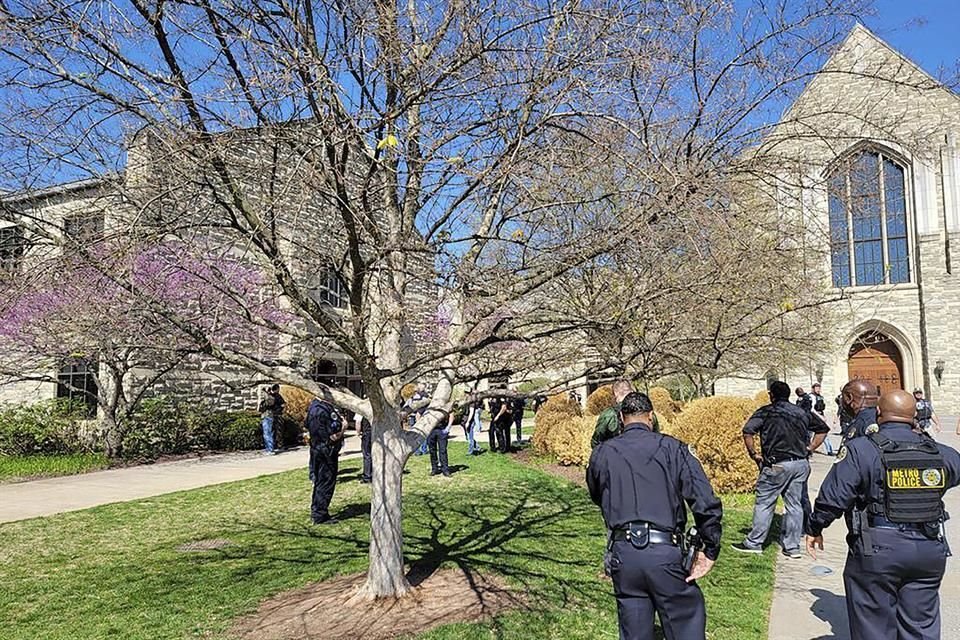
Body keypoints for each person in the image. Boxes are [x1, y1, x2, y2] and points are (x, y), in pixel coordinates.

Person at [805, 389, 960, 640]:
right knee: (920, 627)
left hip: (878, 548)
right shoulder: (939, 452)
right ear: (914, 416)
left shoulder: (861, 449)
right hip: (929, 548)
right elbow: (953, 472)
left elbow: (835, 496)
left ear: (879, 413)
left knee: (873, 627)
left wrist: (815, 527)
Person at [586, 392, 723, 640]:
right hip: (664, 553)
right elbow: (704, 501)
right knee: (684, 624)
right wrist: (710, 547)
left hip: (624, 553)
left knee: (634, 629)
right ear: (651, 416)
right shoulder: (674, 449)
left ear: (621, 417)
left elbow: (596, 494)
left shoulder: (603, 452)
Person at [732, 380, 828, 558]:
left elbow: (748, 432)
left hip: (776, 464)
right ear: (789, 394)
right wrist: (811, 447)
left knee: (765, 503)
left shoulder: (767, 412)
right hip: (800, 463)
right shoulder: (801, 412)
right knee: (795, 505)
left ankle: (754, 542)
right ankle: (792, 547)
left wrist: (754, 454)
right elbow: (823, 429)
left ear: (771, 395)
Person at [305, 397, 345, 524]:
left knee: (320, 481)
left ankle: (319, 511)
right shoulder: (321, 409)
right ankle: (319, 514)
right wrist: (344, 427)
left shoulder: (315, 406)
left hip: (319, 449)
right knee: (325, 482)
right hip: (326, 451)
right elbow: (331, 436)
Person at [591, 380, 636, 448]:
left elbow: (596, 442)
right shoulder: (646, 411)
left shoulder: (609, 414)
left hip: (615, 455)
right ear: (631, 391)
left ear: (615, 393)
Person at [258, 384, 285, 455]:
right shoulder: (268, 398)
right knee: (268, 433)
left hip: (268, 416)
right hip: (266, 416)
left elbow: (270, 402)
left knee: (268, 433)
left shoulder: (271, 398)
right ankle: (269, 448)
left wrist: (265, 392)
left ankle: (270, 449)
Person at [427, 410, 453, 477]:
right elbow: (419, 414)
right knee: (432, 450)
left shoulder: (444, 403)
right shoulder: (429, 404)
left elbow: (451, 414)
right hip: (431, 430)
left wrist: (448, 428)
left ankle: (445, 470)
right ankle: (434, 469)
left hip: (442, 429)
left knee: (443, 451)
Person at [357, 412, 372, 484]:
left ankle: (367, 476)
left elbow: (358, 422)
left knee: (367, 455)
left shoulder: (360, 409)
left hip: (366, 433)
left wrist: (358, 433)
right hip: (376, 433)